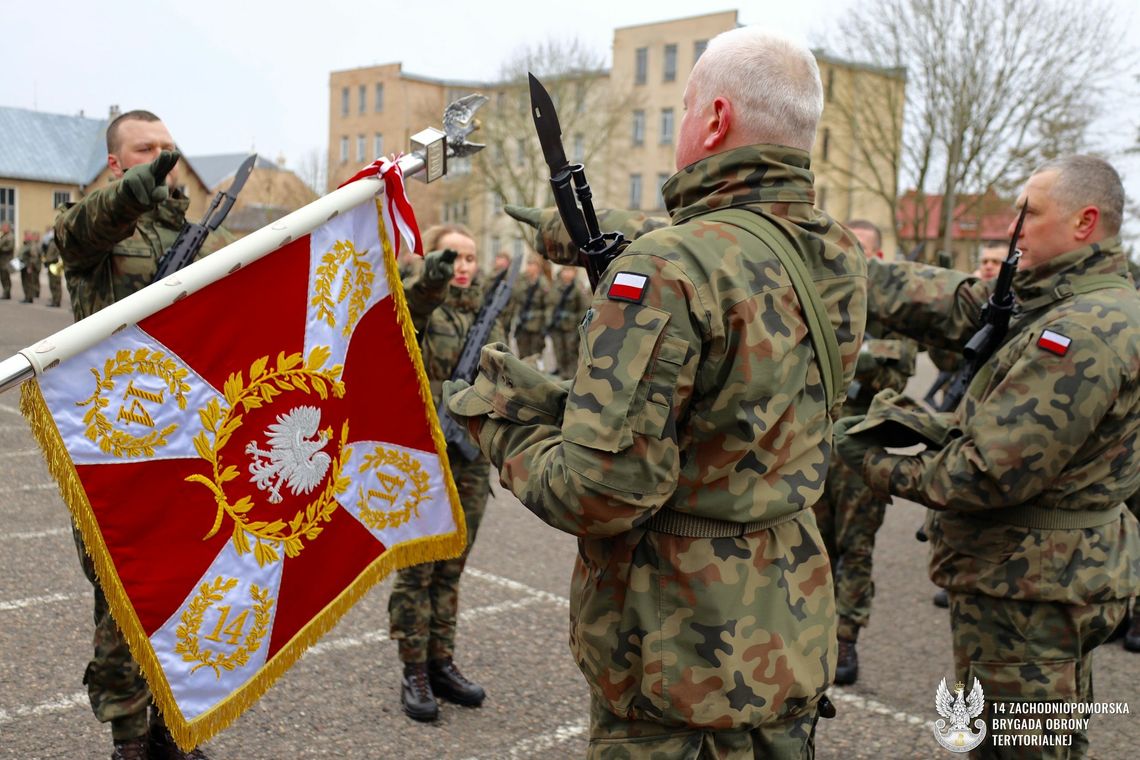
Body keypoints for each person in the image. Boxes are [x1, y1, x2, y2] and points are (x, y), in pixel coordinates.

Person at [447, 27, 868, 757]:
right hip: (787, 623)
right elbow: (725, 420)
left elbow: (600, 491)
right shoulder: (836, 253)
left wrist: (501, 418)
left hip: (678, 652)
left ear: (715, 119)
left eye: (681, 108)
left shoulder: (668, 267)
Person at [836, 154, 1140, 757]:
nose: (1013, 227)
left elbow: (987, 472)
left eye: (1030, 212)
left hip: (1031, 593)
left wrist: (862, 452)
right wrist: (824, 267)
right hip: (1043, 583)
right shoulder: (1060, 299)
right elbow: (944, 298)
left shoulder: (1083, 330)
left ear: (1084, 223)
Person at [54, 109, 232, 760]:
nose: (161, 157)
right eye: (144, 149)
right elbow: (75, 232)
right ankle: (129, 742)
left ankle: (165, 728)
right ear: (116, 162)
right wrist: (138, 189)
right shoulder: (94, 230)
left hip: (186, 448)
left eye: (168, 147)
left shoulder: (194, 235)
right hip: (113, 451)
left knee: (178, 598)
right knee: (121, 603)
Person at [387, 222, 497, 722]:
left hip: (471, 456)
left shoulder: (487, 315)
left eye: (470, 258)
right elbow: (413, 307)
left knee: (452, 566)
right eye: (453, 257)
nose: (464, 267)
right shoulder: (416, 305)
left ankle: (440, 662)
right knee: (418, 569)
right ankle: (412, 669)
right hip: (423, 454)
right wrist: (431, 276)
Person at [813, 219, 916, 686]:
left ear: (876, 260)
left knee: (855, 548)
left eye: (861, 251)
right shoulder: (818, 304)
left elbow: (896, 376)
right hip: (813, 445)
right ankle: (811, 635)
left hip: (860, 450)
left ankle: (846, 637)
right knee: (810, 547)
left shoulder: (893, 314)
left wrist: (853, 357)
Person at [545, 265, 589, 379]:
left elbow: (584, 309)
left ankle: (571, 378)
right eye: (565, 270)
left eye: (569, 270)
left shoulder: (578, 287)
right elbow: (550, 303)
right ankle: (562, 375)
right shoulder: (556, 286)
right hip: (557, 325)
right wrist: (549, 319)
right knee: (559, 351)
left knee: (571, 353)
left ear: (574, 272)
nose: (567, 273)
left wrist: (578, 324)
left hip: (572, 327)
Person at [512, 254, 550, 362]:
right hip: (522, 323)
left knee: (536, 355)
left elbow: (547, 305)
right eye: (528, 264)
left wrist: (544, 324)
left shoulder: (543, 283)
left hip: (536, 326)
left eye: (532, 264)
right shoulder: (521, 279)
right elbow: (516, 296)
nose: (529, 267)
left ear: (538, 267)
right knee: (522, 354)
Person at [41, 228, 63, 307]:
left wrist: (49, 260)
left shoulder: (57, 242)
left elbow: (56, 255)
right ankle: (54, 299)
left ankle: (57, 301)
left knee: (56, 283)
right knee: (52, 283)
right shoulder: (51, 242)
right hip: (50, 265)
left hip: (55, 264)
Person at [17, 231, 42, 303]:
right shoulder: (24, 245)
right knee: (24, 282)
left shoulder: (32, 246)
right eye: (25, 236)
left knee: (28, 283)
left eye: (26, 236)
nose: (24, 237)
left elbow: (34, 257)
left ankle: (29, 297)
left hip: (28, 266)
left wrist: (30, 267)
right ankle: (26, 296)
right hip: (22, 266)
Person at [0, 222, 13, 299]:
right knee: (3, 277)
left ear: (8, 228)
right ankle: (5, 292)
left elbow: (9, 248)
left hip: (7, 261)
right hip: (2, 261)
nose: (2, 228)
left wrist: (1, 249)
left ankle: (7, 292)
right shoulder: (3, 236)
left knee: (6, 277)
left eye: (3, 227)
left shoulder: (10, 237)